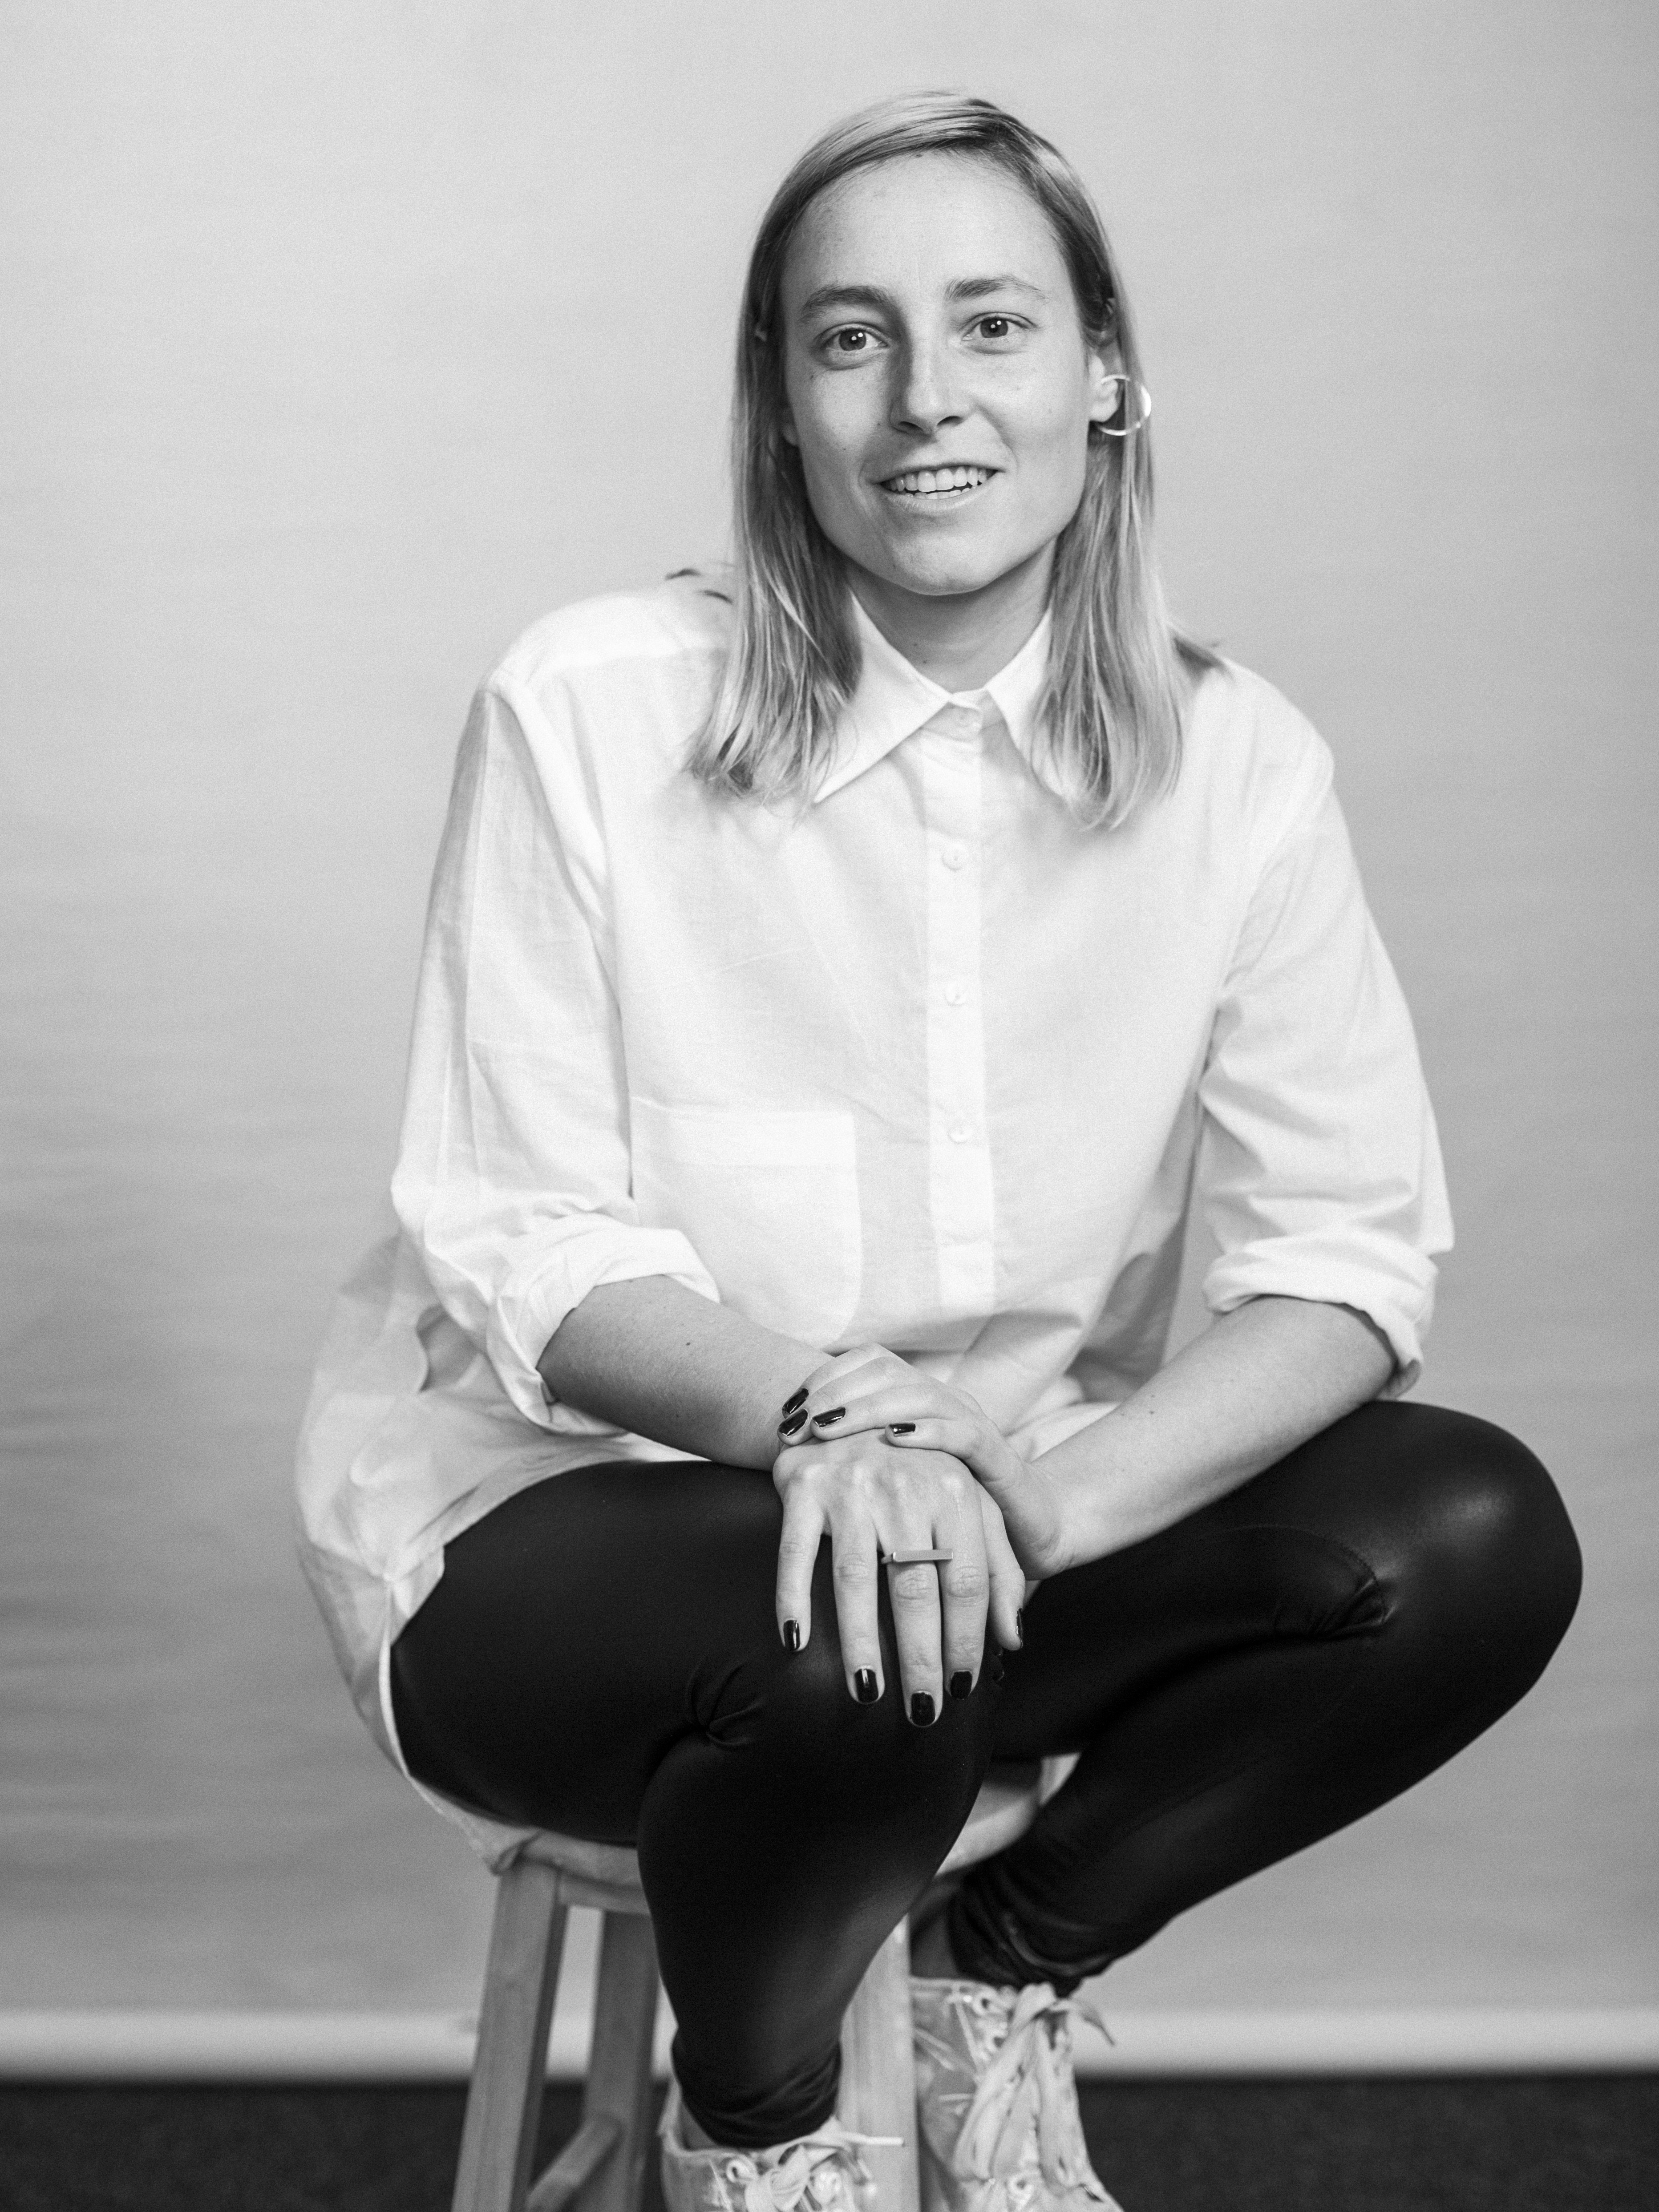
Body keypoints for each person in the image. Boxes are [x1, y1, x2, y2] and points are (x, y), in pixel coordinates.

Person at [295, 92, 1582, 2212]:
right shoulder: (588, 706)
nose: (924, 399)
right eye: (849, 337)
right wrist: (833, 1422)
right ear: (781, 403)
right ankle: (762, 2120)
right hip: (558, 1537)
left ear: (1103, 373)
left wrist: (1046, 1497)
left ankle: (996, 1971)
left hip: (999, 1534)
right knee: (859, 1624)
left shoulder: (1236, 767)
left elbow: (1342, 1263)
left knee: (1467, 1529)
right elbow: (524, 1238)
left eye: (990, 325)